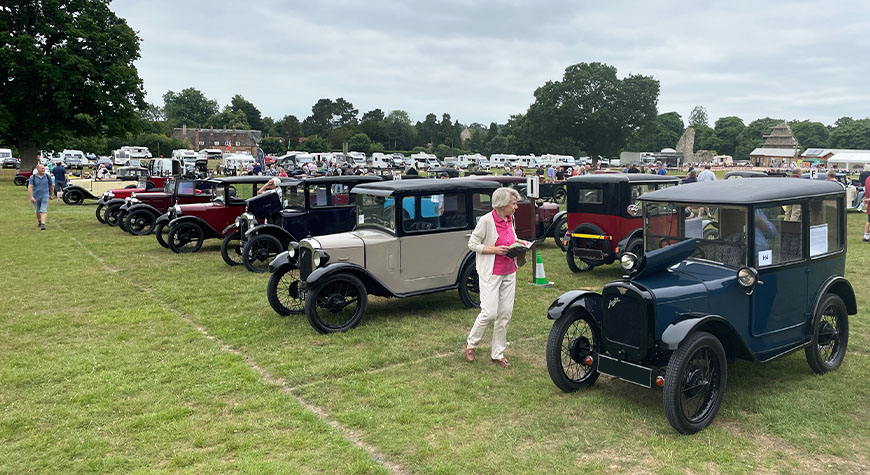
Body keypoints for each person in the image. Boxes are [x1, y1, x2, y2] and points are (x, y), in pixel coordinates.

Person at [464, 187, 523, 368]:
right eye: (513, 204)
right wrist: (494, 250)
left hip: (509, 270)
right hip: (491, 272)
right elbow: (472, 243)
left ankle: (497, 353)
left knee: (505, 313)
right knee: (489, 312)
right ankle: (471, 343)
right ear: (502, 204)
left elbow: (511, 238)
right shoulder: (486, 221)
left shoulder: (510, 219)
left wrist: (520, 245)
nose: (516, 207)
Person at [28, 164, 54, 230]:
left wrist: (51, 194)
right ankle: (39, 221)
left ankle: (43, 224)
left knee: (43, 210)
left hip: (45, 195)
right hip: (36, 196)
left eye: (44, 168)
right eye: (42, 168)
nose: (43, 169)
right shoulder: (33, 177)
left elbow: (51, 186)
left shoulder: (47, 177)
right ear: (37, 169)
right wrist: (31, 197)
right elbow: (30, 187)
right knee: (37, 210)